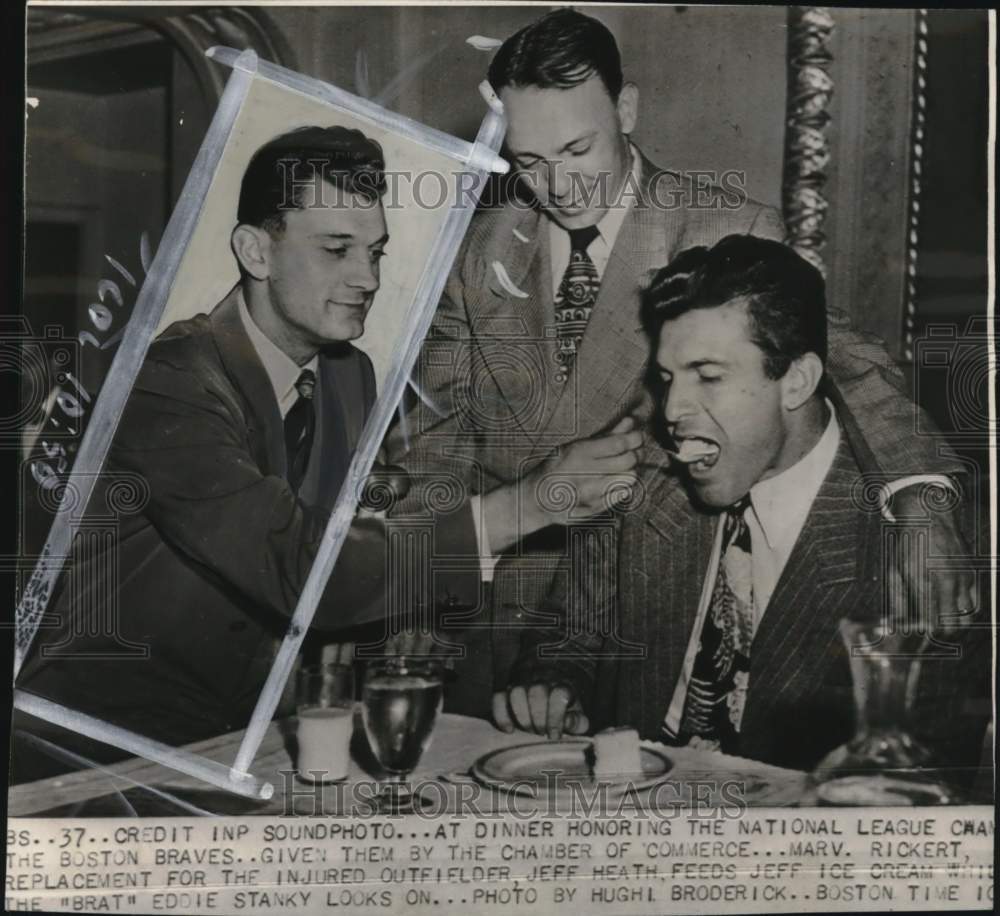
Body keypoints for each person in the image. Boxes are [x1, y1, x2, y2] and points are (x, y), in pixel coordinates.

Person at [386, 8, 971, 717]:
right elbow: (435, 445)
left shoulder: (725, 226)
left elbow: (841, 362)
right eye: (530, 161)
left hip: (628, 617)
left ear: (627, 109)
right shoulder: (477, 250)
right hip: (476, 615)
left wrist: (919, 502)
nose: (559, 186)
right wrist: (415, 597)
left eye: (577, 149)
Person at [13, 125, 481, 771]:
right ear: (255, 252)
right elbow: (294, 559)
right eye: (336, 249)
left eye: (375, 252)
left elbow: (324, 524)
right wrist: (511, 515)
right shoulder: (164, 379)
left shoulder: (349, 375)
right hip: (99, 741)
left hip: (242, 728)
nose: (366, 277)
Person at [496, 235, 988, 777]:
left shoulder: (916, 550)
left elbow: (927, 771)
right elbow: (569, 639)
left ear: (796, 381)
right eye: (667, 379)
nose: (674, 410)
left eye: (709, 377)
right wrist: (553, 684)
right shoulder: (637, 483)